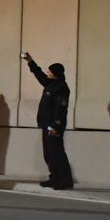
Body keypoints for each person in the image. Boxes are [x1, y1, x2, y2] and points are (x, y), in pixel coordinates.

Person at [23, 54, 73, 190]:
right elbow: (39, 74)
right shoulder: (51, 84)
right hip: (46, 125)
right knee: (49, 153)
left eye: (49, 71)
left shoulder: (62, 87)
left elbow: (61, 108)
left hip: (54, 126)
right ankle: (55, 177)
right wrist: (30, 61)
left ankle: (65, 180)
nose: (47, 73)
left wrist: (55, 125)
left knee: (57, 153)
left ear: (55, 73)